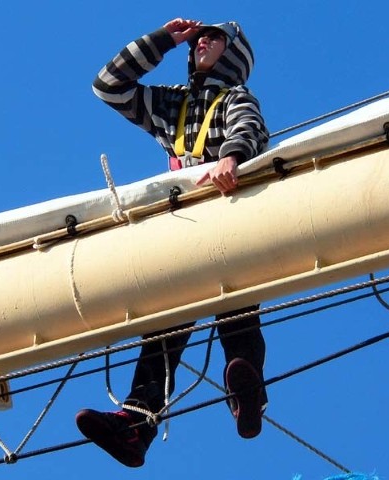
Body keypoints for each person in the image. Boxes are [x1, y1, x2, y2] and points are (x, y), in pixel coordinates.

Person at [75, 18, 270, 468]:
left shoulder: (234, 97)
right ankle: (137, 423)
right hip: (183, 226)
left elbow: (250, 129)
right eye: (201, 36)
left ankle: (249, 392)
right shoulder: (171, 104)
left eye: (216, 37)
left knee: (237, 308)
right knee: (164, 329)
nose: (203, 40)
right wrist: (164, 40)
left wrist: (231, 158)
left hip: (231, 216)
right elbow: (109, 86)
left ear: (235, 54)